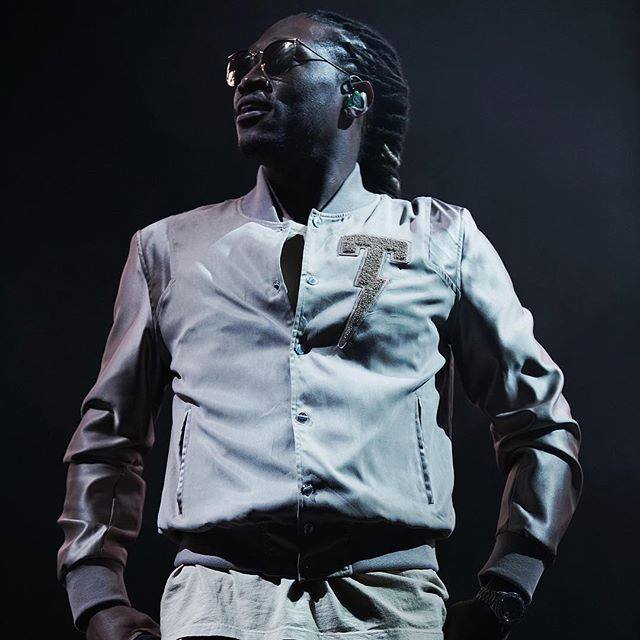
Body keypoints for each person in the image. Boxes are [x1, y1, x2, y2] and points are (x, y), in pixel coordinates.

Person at [56, 9, 583, 640]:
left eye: (282, 60)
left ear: (355, 96)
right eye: (241, 67)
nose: (252, 79)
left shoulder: (442, 240)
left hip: (390, 608)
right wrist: (97, 595)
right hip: (215, 607)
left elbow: (540, 421)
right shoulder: (168, 249)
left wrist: (508, 584)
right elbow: (108, 438)